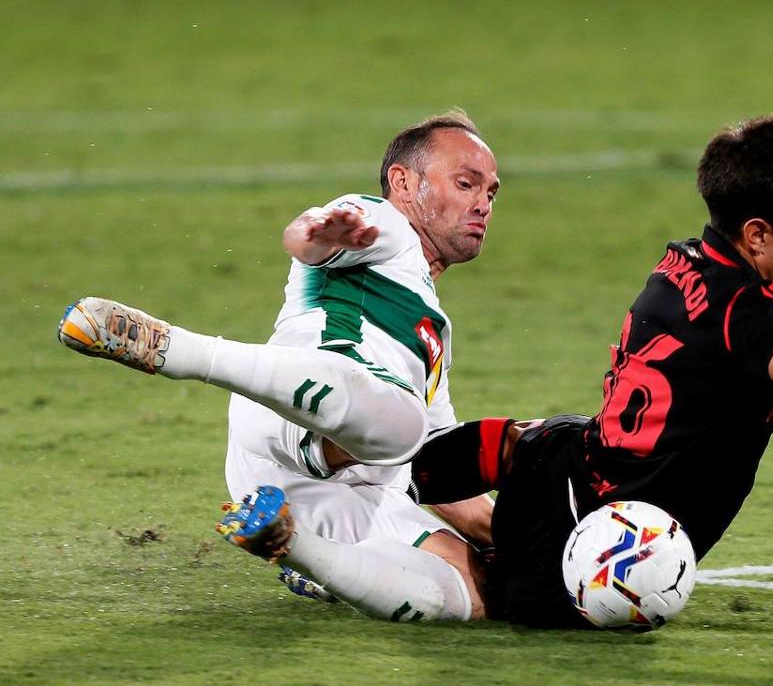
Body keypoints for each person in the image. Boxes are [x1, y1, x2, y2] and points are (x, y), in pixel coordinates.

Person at [210, 110, 773, 628]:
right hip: (593, 525)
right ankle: (308, 550)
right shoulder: (754, 317)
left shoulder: (689, 265)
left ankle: (342, 473)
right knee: (468, 584)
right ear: (758, 235)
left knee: (423, 462)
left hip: (549, 452)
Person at [58, 111, 501, 619]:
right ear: (403, 182)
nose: (482, 204)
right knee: (402, 428)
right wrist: (322, 232)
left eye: (491, 193)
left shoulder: (432, 332)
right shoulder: (382, 224)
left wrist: (530, 540)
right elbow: (306, 240)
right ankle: (177, 349)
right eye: (466, 184)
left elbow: (439, 471)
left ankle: (298, 551)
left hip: (314, 494)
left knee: (486, 590)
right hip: (284, 416)